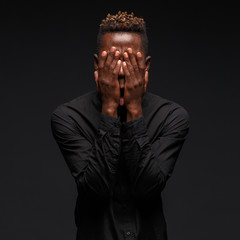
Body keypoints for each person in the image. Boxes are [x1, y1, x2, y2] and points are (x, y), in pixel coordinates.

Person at [50, 11, 190, 240]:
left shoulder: (171, 116)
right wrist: (109, 109)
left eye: (132, 61)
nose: (122, 70)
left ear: (146, 65)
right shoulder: (69, 117)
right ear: (97, 64)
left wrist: (134, 110)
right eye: (114, 60)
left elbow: (147, 189)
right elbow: (96, 190)